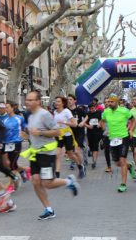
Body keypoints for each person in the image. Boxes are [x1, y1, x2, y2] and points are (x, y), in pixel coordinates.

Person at [21, 91, 78, 220]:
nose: (27, 102)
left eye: (30, 100)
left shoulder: (45, 115)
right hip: (35, 153)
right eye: (27, 100)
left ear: (38, 101)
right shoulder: (30, 116)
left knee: (47, 183)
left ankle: (68, 181)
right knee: (35, 181)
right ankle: (49, 209)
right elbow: (33, 134)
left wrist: (40, 133)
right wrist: (26, 136)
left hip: (47, 154)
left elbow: (57, 132)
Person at [101, 94, 135, 192]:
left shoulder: (124, 111)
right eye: (108, 102)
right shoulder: (106, 112)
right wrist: (105, 129)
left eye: (111, 102)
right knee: (117, 163)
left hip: (123, 137)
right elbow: (102, 121)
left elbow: (133, 120)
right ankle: (130, 166)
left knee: (122, 160)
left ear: (117, 102)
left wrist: (131, 130)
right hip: (112, 139)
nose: (109, 103)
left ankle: (123, 184)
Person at [53, 96, 84, 179]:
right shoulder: (55, 112)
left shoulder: (67, 111)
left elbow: (75, 124)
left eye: (58, 101)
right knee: (57, 155)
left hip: (67, 135)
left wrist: (65, 123)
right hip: (59, 136)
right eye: (56, 101)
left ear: (63, 103)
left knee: (70, 155)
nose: (56, 103)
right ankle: (57, 175)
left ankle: (80, 166)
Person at [67, 94, 88, 169]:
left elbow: (87, 116)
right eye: (68, 99)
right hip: (70, 132)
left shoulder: (79, 109)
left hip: (79, 131)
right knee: (72, 150)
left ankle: (81, 164)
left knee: (77, 149)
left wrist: (83, 122)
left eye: (71, 99)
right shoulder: (66, 110)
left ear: (75, 101)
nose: (69, 101)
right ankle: (75, 162)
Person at [85, 102, 103, 169]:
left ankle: (94, 162)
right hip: (90, 132)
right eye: (90, 109)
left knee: (95, 146)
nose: (91, 110)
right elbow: (84, 123)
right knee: (91, 146)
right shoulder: (88, 114)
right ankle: (93, 158)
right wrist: (88, 126)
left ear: (95, 107)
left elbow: (103, 119)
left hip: (97, 132)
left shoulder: (99, 112)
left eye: (92, 108)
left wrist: (100, 123)